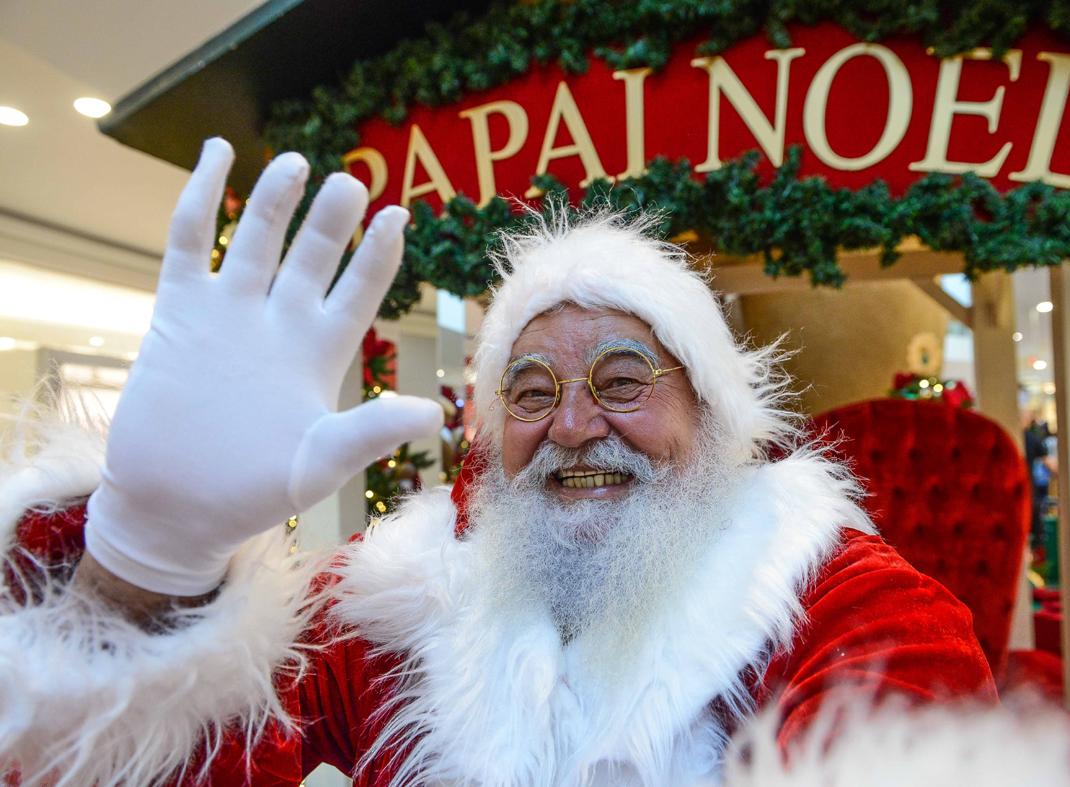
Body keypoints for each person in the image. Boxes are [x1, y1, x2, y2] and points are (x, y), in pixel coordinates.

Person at [0, 140, 999, 786]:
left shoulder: (848, 605)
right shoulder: (400, 597)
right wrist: (145, 560)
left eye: (620, 379)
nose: (570, 426)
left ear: (712, 414)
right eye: (527, 392)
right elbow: (175, 760)